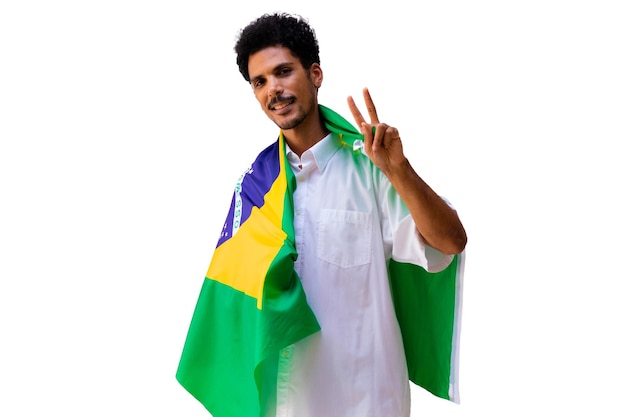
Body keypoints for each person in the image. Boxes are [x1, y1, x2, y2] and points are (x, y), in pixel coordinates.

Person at [177, 12, 467, 417]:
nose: (272, 90)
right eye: (259, 81)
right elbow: (230, 311)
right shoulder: (256, 192)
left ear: (315, 74)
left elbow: (450, 242)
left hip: (370, 402)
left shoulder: (372, 170)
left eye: (283, 72)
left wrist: (398, 170)